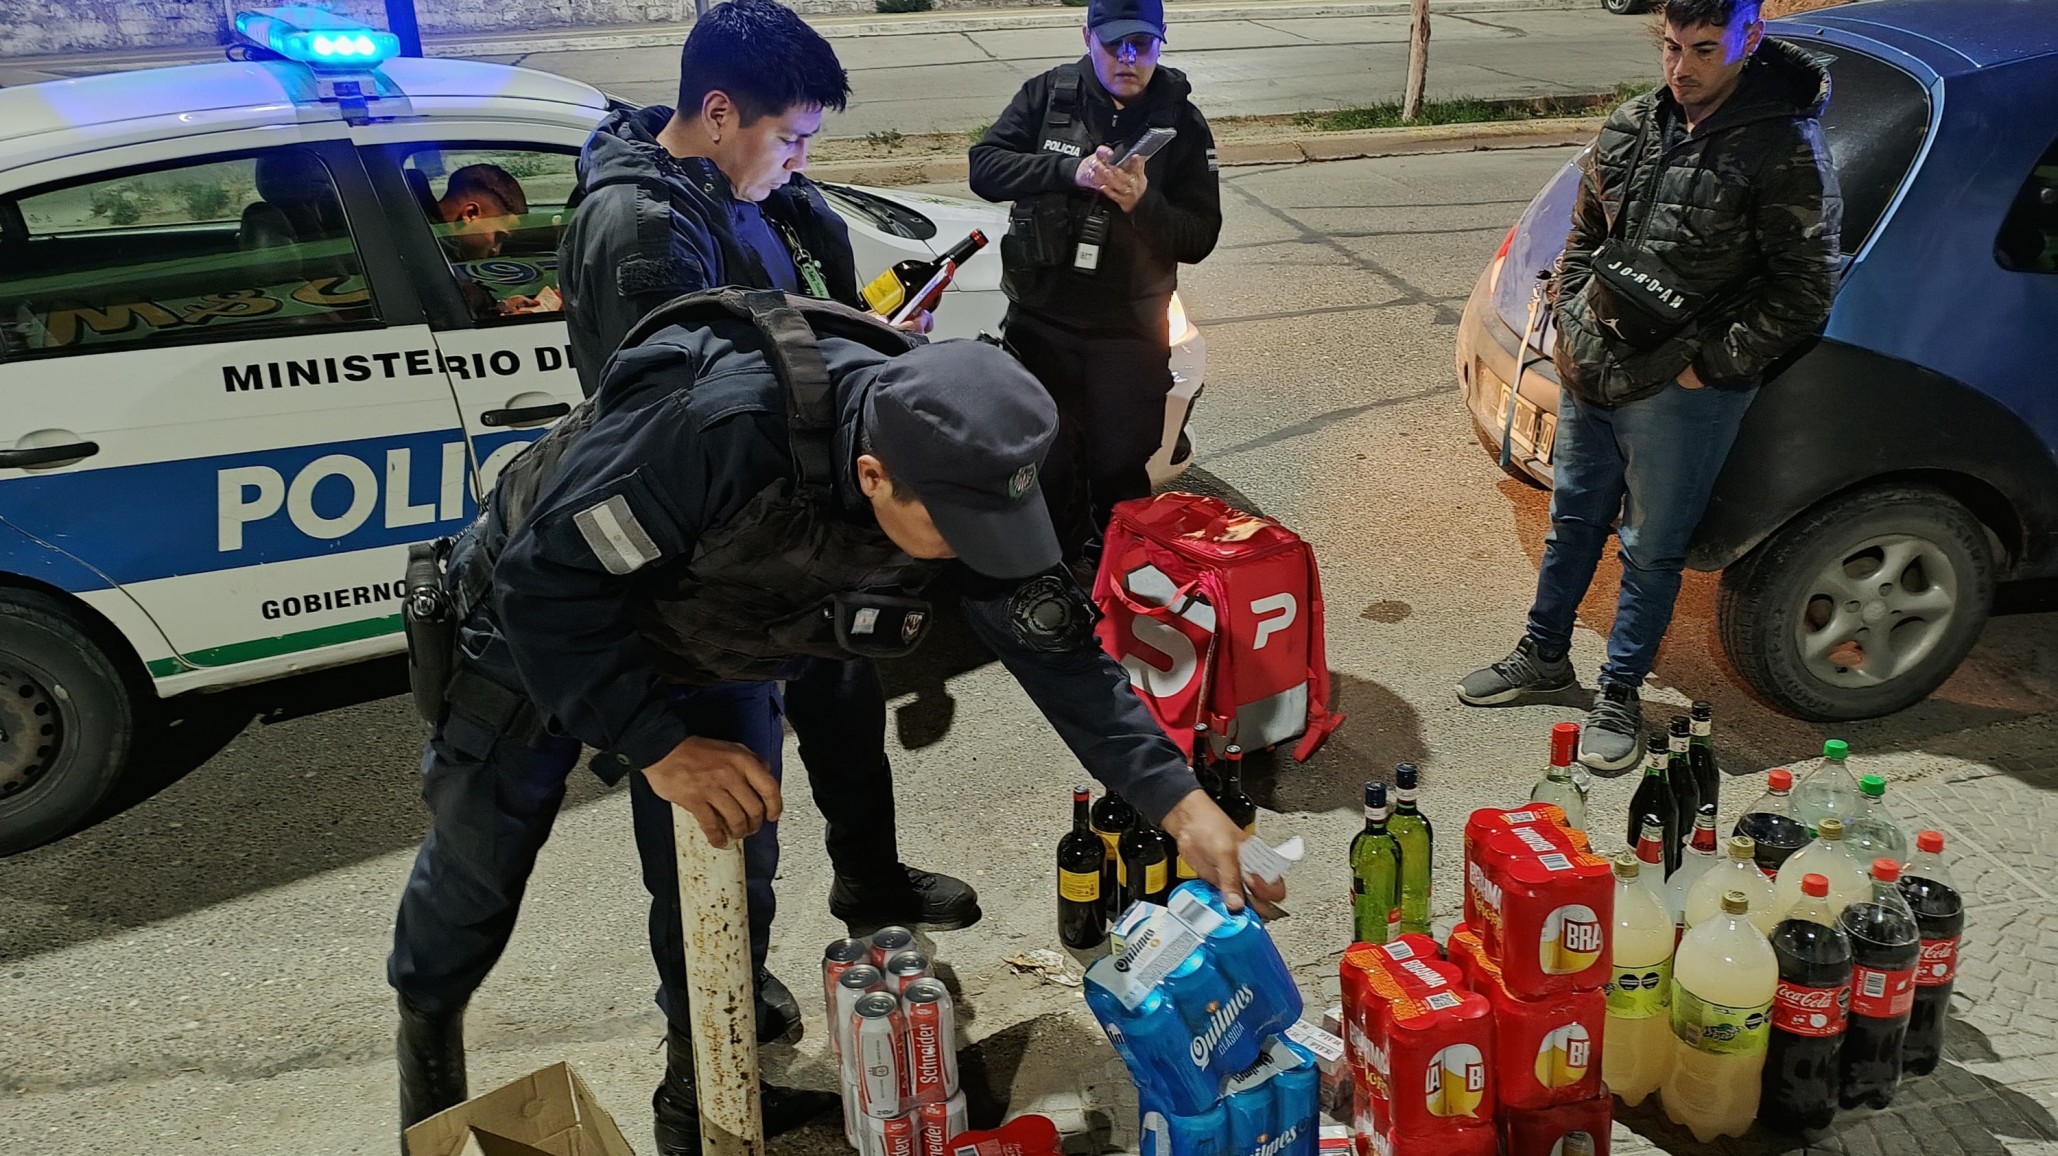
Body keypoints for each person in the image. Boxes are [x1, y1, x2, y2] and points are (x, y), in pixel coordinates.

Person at [393, 289, 1276, 1153]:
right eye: (958, 531)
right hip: (532, 626)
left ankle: (700, 1094)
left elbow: (1058, 655)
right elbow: (544, 583)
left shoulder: (981, 455)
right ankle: (429, 1074)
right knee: (482, 865)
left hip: (719, 635)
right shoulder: (717, 432)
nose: (977, 554)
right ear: (872, 475)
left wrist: (1179, 801)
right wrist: (659, 743)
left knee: (731, 874)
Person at [547, 0, 963, 1054]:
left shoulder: (765, 190)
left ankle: (870, 883)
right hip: (710, 576)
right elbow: (669, 418)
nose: (801, 159)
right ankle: (714, 1014)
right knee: (730, 803)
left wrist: (876, 343)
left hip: (805, 540)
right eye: (792, 137)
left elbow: (809, 321)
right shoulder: (642, 229)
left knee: (847, 722)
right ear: (721, 111)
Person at [1456, 0, 1841, 770]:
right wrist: (1573, 322)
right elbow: (1585, 233)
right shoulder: (1635, 121)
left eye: (1704, 49)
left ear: (1750, 37)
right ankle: (1544, 654)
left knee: (1651, 550)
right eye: (1671, 46)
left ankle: (1620, 692)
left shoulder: (1785, 147)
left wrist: (1708, 368)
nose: (1681, 68)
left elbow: (1805, 292)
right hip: (1594, 365)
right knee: (1572, 521)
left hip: (1683, 393)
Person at [968, 0, 1220, 556]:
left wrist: (1142, 203)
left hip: (1129, 339)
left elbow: (1200, 237)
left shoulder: (1182, 122)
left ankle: (1117, 582)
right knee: (1041, 473)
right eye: (1114, 43)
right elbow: (983, 168)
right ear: (1087, 36)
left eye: (1142, 44)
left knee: (1119, 478)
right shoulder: (1048, 95)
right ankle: (1047, 582)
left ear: (1161, 39)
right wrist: (1070, 171)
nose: (1128, 58)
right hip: (1041, 328)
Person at [430, 163, 558, 315]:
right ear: (470, 214)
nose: (496, 250)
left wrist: (502, 307)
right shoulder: (429, 261)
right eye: (498, 237)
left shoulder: (433, 245)